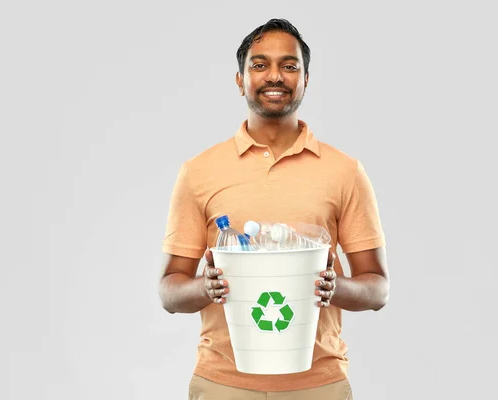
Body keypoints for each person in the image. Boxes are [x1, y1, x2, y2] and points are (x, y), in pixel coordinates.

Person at [159, 18, 389, 399]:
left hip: (318, 384)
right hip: (223, 383)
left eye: (290, 65)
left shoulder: (344, 171)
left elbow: (377, 289)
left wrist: (336, 287)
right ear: (240, 80)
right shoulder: (199, 172)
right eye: (259, 64)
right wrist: (206, 286)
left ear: (306, 79)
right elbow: (170, 292)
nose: (275, 76)